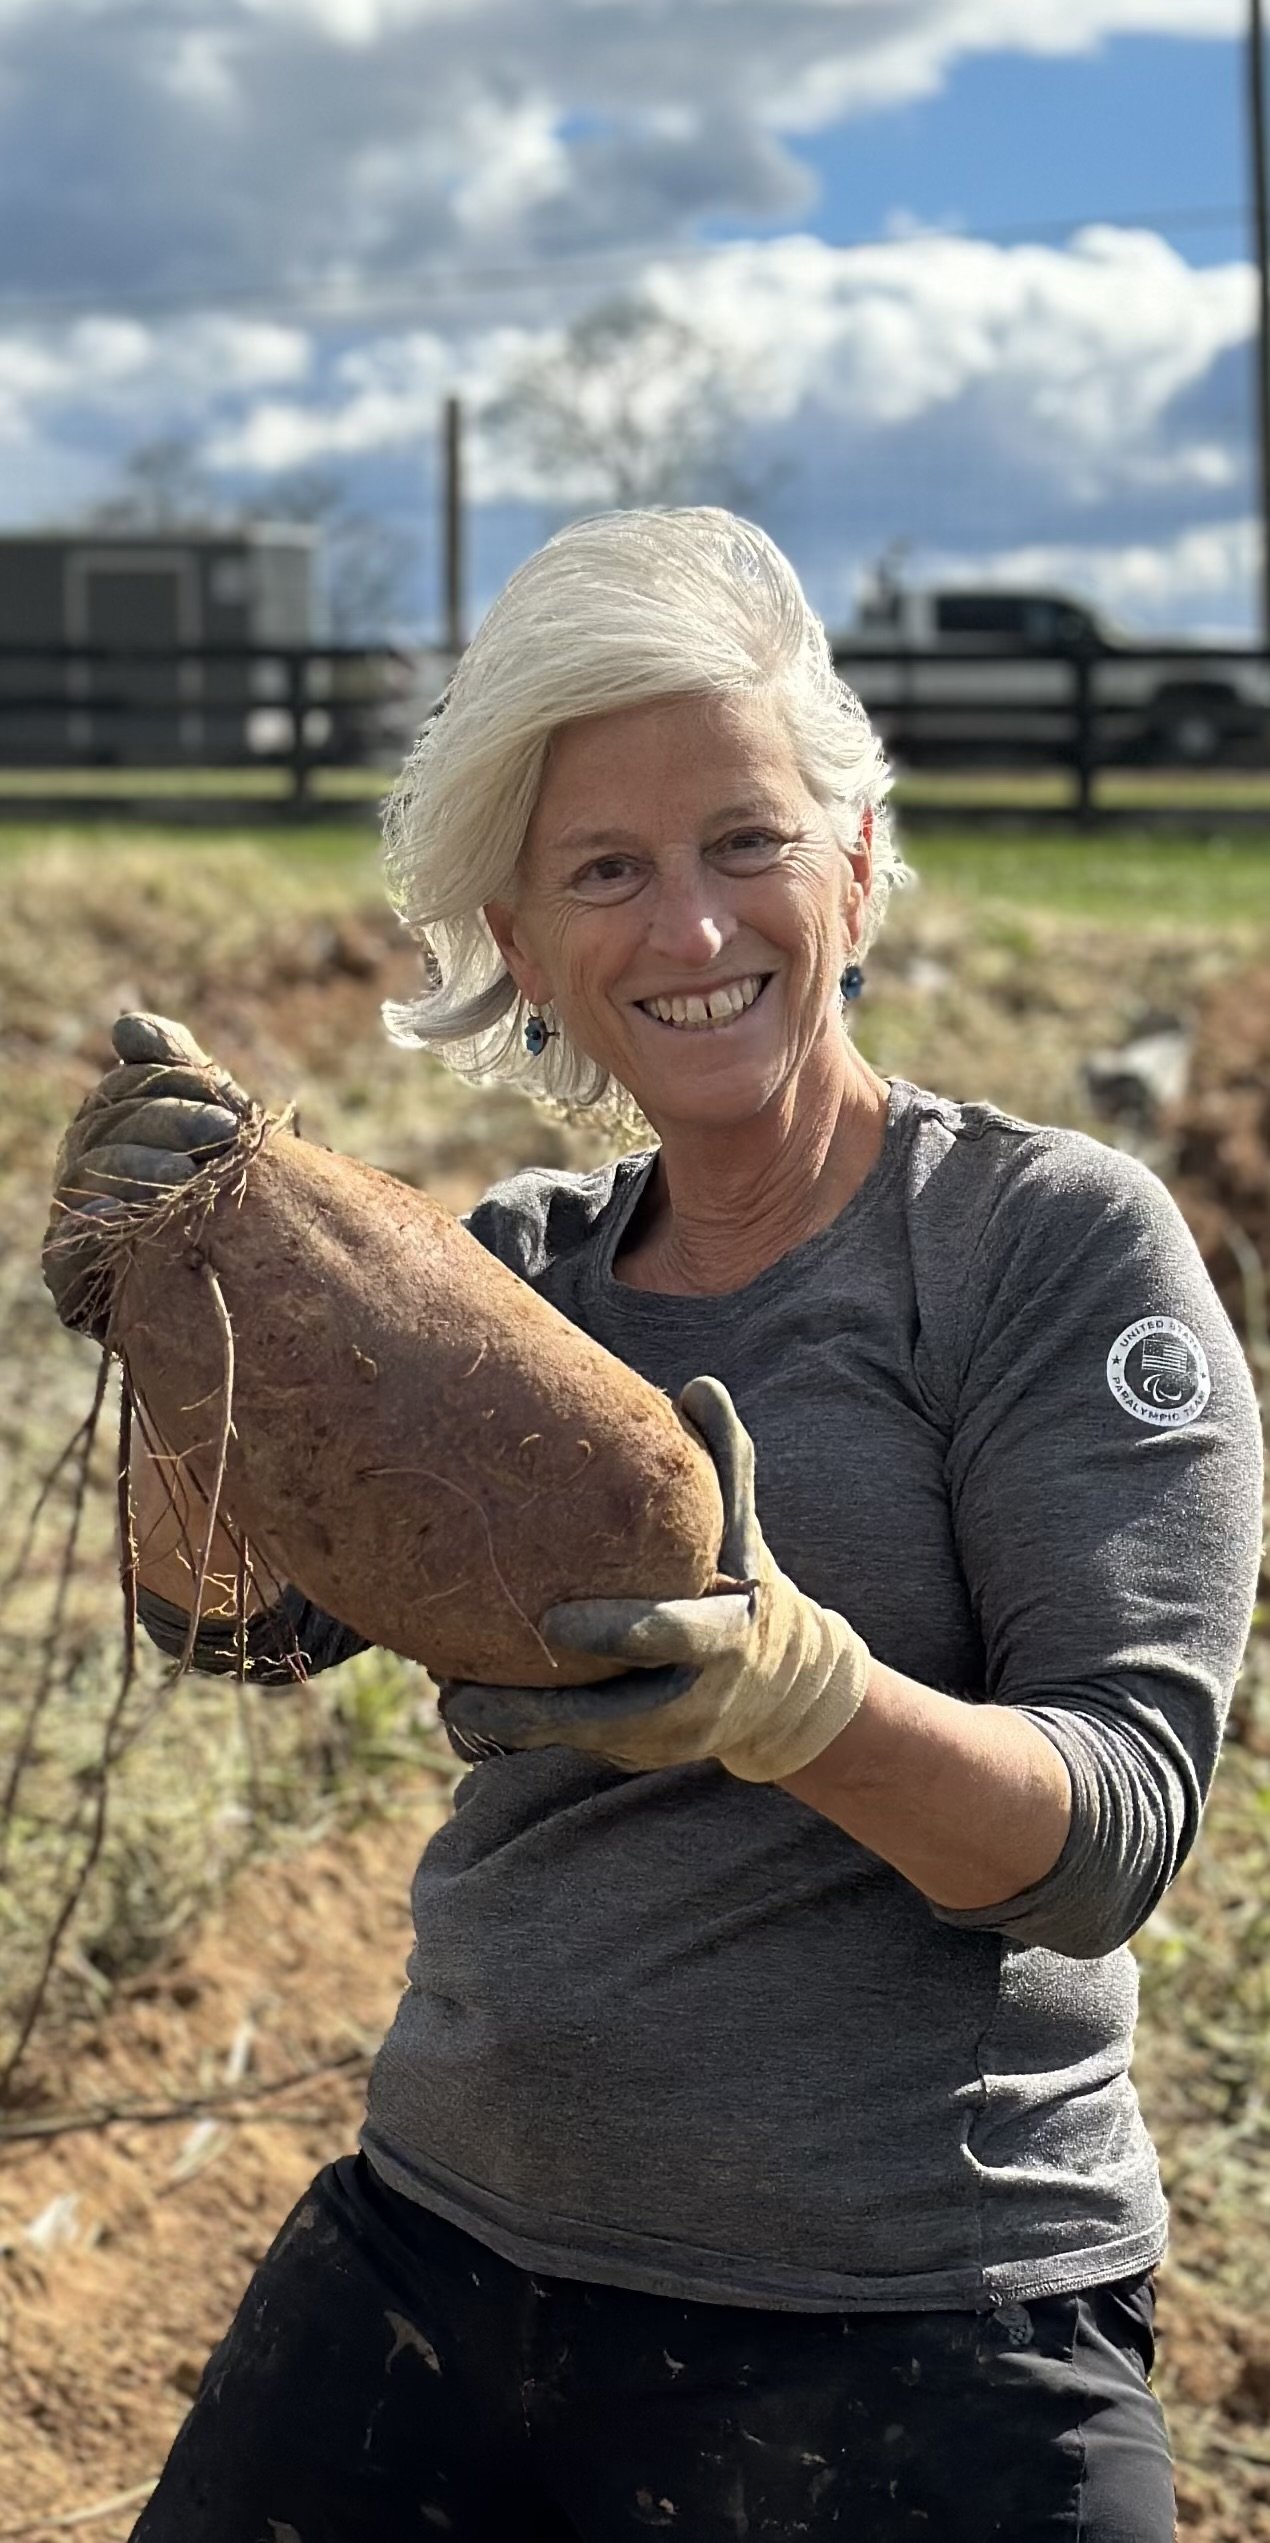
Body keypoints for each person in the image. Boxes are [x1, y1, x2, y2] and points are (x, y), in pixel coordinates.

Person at [45, 510, 1262, 2543]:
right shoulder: (509, 1275)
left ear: (854, 866)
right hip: (446, 2248)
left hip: (920, 2307)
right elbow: (236, 1628)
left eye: (744, 842)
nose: (688, 930)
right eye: (604, 869)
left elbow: (1112, 1837)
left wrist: (801, 1701)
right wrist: (186, 1319)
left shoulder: (1040, 1247)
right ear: (520, 945)